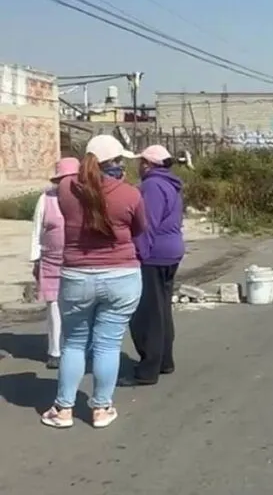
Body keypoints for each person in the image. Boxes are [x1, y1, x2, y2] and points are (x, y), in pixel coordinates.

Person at [41, 134, 146, 430]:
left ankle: (63, 409)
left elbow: (70, 206)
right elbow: (139, 228)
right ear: (113, 163)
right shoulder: (130, 194)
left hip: (77, 275)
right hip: (122, 276)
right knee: (108, 345)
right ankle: (101, 408)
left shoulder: (65, 188)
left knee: (74, 343)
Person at [123, 145, 185, 386]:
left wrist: (140, 254)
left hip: (155, 254)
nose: (138, 166)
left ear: (148, 164)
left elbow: (146, 224)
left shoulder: (152, 186)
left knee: (147, 313)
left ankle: (148, 368)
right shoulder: (171, 183)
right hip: (171, 251)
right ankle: (164, 360)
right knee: (161, 310)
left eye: (141, 162)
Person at [29, 157, 80, 369]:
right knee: (54, 306)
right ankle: (55, 351)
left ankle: (76, 347)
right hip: (50, 261)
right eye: (63, 179)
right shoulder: (46, 199)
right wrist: (36, 259)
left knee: (77, 306)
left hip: (78, 260)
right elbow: (37, 231)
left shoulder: (84, 198)